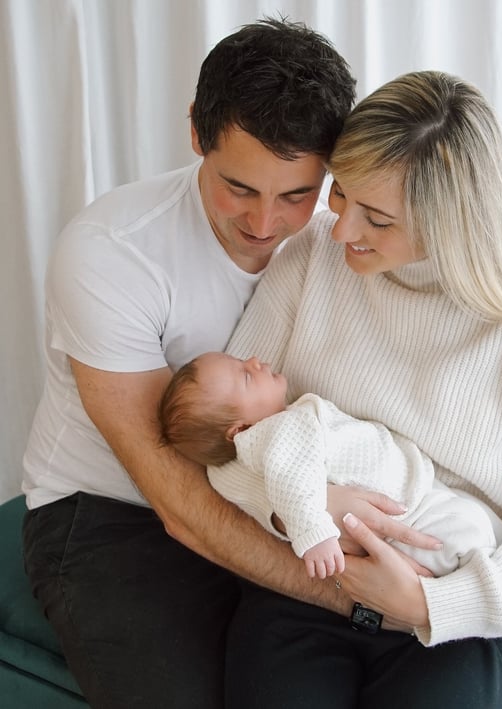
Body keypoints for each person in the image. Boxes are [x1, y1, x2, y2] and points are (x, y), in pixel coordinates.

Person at [220, 70, 502, 709]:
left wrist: (432, 602)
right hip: (303, 584)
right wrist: (302, 502)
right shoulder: (312, 255)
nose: (339, 230)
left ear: (456, 220)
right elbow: (221, 439)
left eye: (378, 218)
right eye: (342, 194)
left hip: (456, 615)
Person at [20, 17, 371, 709]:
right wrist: (357, 600)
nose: (265, 222)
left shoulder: (343, 244)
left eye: (297, 194)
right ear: (195, 133)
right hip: (112, 513)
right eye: (239, 187)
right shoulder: (112, 251)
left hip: (276, 495)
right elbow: (170, 488)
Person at [158, 350, 500, 579]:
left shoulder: (230, 466)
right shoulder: (280, 431)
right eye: (246, 377)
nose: (254, 361)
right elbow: (294, 482)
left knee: (477, 528)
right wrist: (313, 534)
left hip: (412, 497)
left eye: (240, 361)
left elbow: (247, 481)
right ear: (241, 430)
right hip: (406, 513)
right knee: (470, 532)